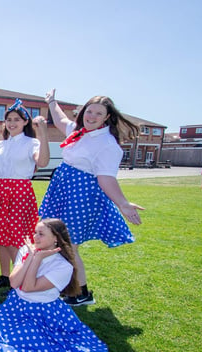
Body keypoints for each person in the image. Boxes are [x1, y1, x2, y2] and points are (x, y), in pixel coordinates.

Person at [40, 89, 144, 306]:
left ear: (107, 117)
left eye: (98, 113)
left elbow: (106, 179)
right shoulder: (79, 131)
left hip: (80, 196)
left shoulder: (107, 144)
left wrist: (123, 204)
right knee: (60, 241)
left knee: (70, 245)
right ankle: (75, 290)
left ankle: (79, 293)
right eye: (89, 111)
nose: (92, 116)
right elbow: (60, 120)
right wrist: (51, 101)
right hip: (64, 191)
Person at [0, 219, 108, 352]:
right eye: (35, 232)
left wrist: (37, 259)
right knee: (10, 334)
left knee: (37, 340)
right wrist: (30, 256)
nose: (35, 237)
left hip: (44, 312)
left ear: (56, 238)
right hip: (16, 305)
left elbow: (29, 288)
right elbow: (14, 283)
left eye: (41, 234)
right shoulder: (25, 249)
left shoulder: (63, 266)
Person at [0, 100, 50, 290]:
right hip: (0, 190)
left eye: (16, 120)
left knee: (15, 238)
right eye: (9, 120)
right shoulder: (1, 144)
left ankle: (19, 279)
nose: (12, 123)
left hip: (20, 192)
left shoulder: (32, 142)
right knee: (1, 237)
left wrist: (43, 131)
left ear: (25, 122)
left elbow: (43, 162)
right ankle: (5, 276)